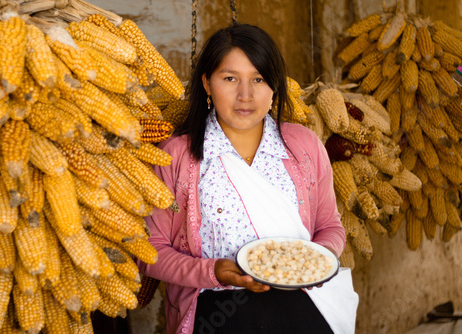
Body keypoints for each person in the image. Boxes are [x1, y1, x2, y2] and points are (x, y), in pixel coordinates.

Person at [139, 23, 358, 334]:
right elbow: (151, 250)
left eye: (258, 79)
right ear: (207, 83)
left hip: (302, 297)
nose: (246, 95)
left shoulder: (305, 146)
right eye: (230, 79)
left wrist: (312, 263)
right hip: (215, 304)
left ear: (275, 86)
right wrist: (212, 271)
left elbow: (330, 226)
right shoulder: (178, 156)